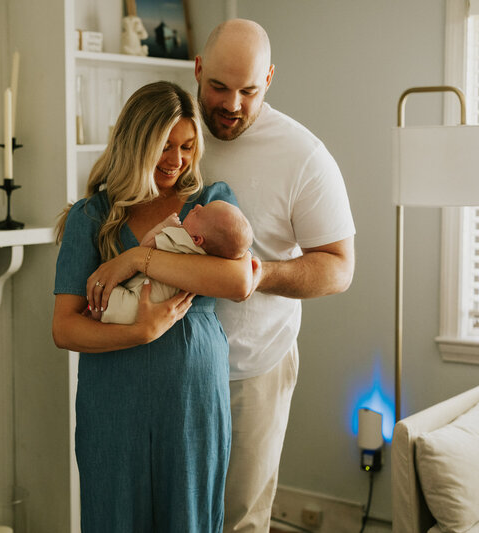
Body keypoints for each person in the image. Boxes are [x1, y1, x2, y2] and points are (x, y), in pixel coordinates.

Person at [52, 80, 256, 532]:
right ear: (135, 142)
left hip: (191, 401)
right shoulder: (92, 216)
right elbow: (64, 329)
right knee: (114, 517)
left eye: (186, 146)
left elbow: (239, 281)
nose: (177, 160)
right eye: (164, 145)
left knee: (190, 517)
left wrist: (138, 258)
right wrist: (138, 332)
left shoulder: (209, 204)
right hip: (113, 402)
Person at [194, 19, 356, 532]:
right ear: (197, 70)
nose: (232, 105)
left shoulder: (304, 156)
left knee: (239, 519)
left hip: (254, 366)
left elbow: (338, 267)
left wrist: (254, 275)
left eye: (248, 90)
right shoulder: (169, 128)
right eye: (218, 86)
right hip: (164, 358)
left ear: (269, 79)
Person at [98, 200, 253, 324]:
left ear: (197, 239)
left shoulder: (180, 239)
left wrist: (163, 226)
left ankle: (96, 312)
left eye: (199, 213)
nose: (197, 206)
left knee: (112, 301)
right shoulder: (211, 258)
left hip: (141, 299)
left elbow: (145, 247)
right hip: (157, 301)